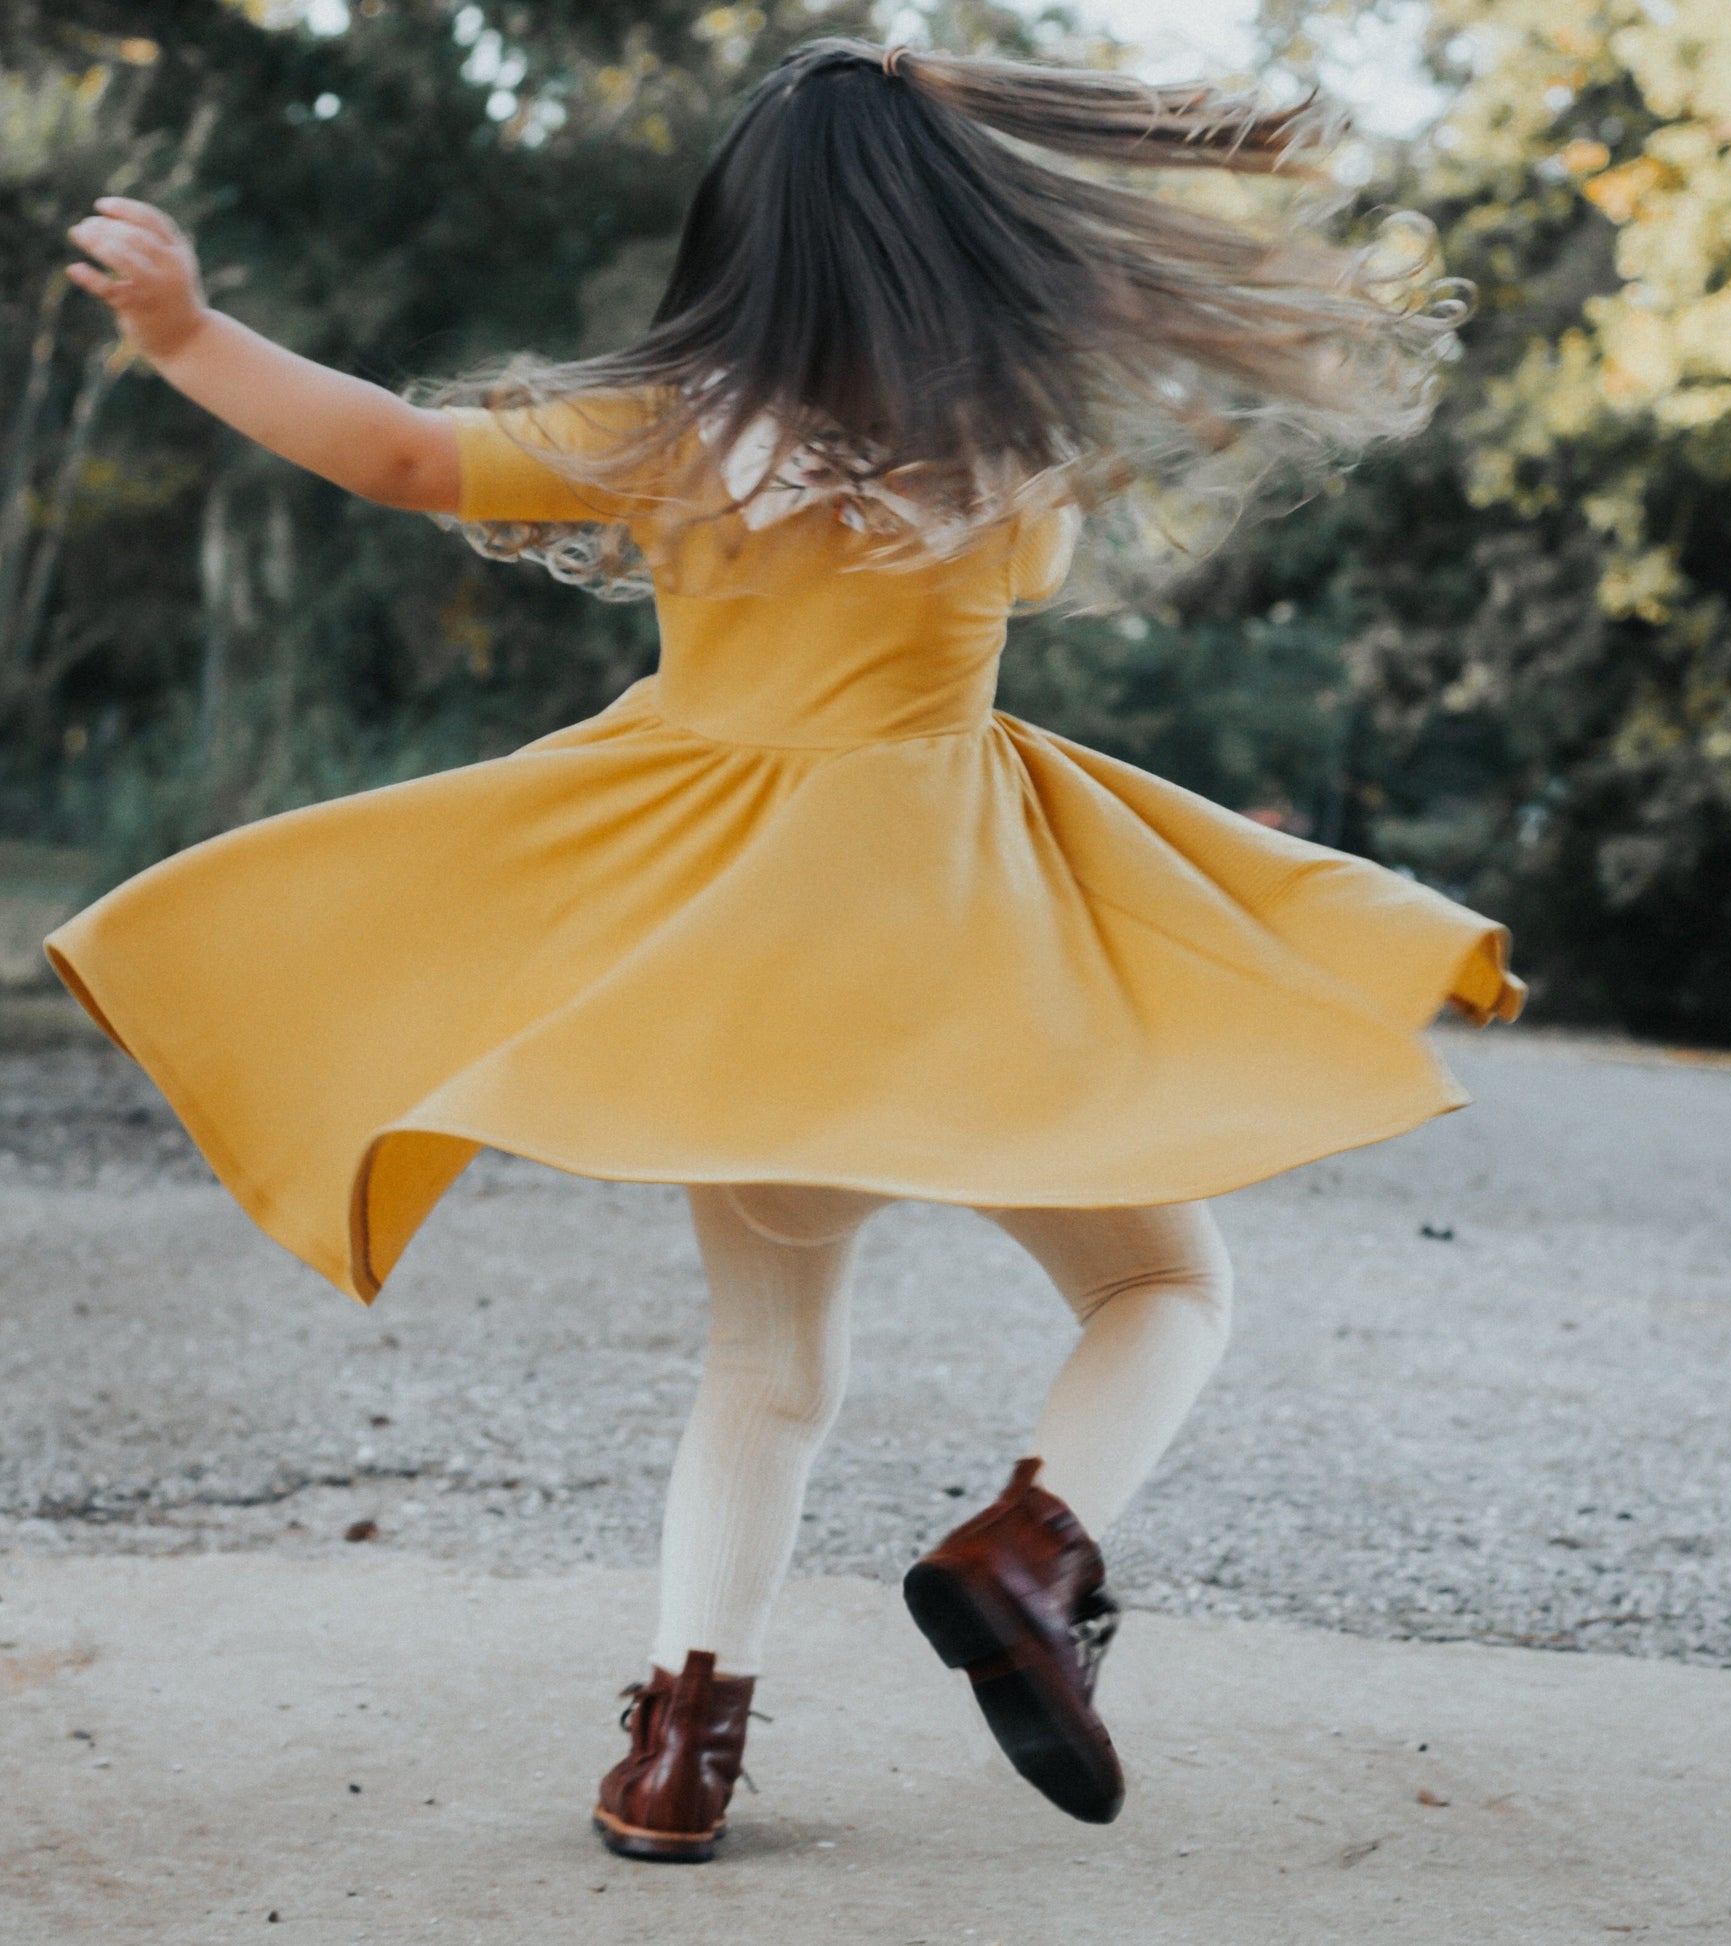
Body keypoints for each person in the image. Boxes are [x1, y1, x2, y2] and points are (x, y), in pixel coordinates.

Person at [54, 37, 1522, 1861]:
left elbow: (407, 452)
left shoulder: (674, 437)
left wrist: (191, 333)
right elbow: (1033, 575)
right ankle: (1028, 1548)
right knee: (1165, 1289)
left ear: (737, 245)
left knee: (763, 1368)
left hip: (743, 972)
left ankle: (678, 1753)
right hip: (962, 956)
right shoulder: (1008, 464)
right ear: (963, 241)